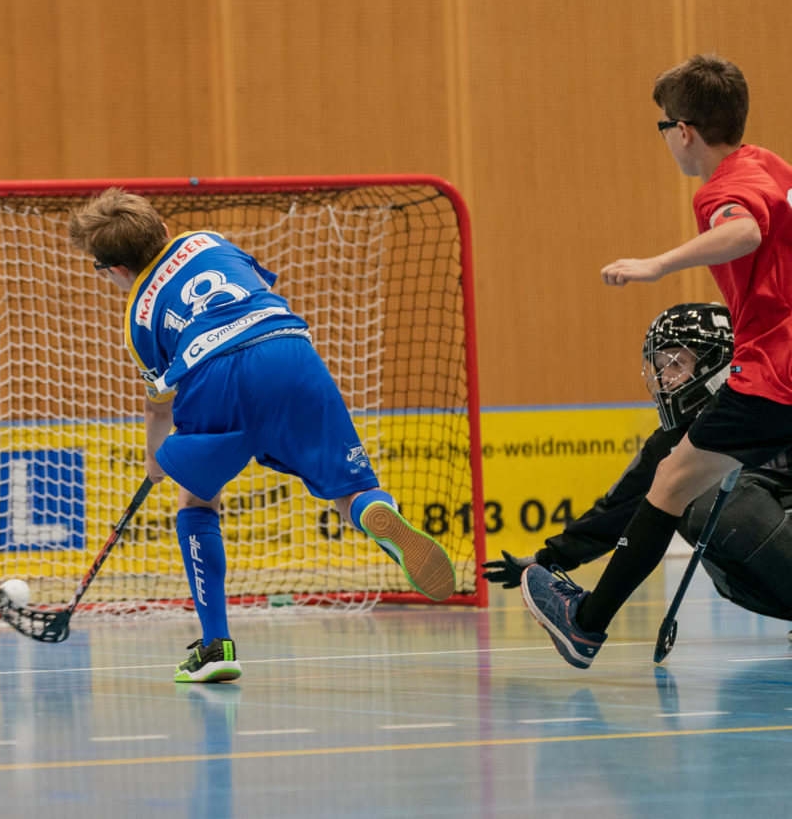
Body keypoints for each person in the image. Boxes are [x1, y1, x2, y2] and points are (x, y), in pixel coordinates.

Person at [67, 188, 455, 682]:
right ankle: (374, 511)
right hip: (289, 352)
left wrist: (155, 460)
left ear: (115, 269)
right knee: (349, 489)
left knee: (196, 502)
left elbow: (158, 404)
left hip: (214, 376)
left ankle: (217, 646)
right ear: (163, 230)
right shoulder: (205, 241)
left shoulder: (138, 318)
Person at [522, 54, 792, 668]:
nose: (666, 138)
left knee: (671, 481)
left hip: (776, 372)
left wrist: (655, 265)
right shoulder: (769, 163)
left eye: (663, 127)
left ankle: (585, 625)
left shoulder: (722, 191)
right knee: (676, 473)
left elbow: (744, 231)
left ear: (685, 131)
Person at [484, 303, 792, 624]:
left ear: (718, 361)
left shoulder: (777, 406)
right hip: (758, 580)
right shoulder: (671, 444)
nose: (665, 378)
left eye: (676, 363)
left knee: (719, 502)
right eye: (659, 366)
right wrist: (547, 559)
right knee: (680, 499)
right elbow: (617, 511)